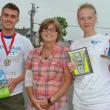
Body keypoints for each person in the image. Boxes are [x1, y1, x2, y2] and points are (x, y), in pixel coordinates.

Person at [68, 3, 110, 110]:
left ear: (95, 18)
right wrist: (73, 70)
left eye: (89, 18)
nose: (86, 22)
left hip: (102, 101)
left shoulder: (106, 41)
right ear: (78, 21)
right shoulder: (74, 45)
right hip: (79, 101)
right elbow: (76, 75)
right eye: (82, 18)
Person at [25, 18, 72, 110]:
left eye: (52, 30)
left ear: (57, 33)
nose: (48, 32)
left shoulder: (65, 52)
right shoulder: (32, 53)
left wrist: (50, 100)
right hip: (35, 105)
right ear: (40, 33)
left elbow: (68, 81)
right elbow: (28, 79)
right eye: (45, 29)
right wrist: (32, 98)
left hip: (57, 105)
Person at [0, 3, 33, 110]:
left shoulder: (25, 42)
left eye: (13, 16)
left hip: (14, 96)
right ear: (1, 16)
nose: (9, 19)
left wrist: (15, 82)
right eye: (6, 15)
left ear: (17, 19)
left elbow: (32, 67)